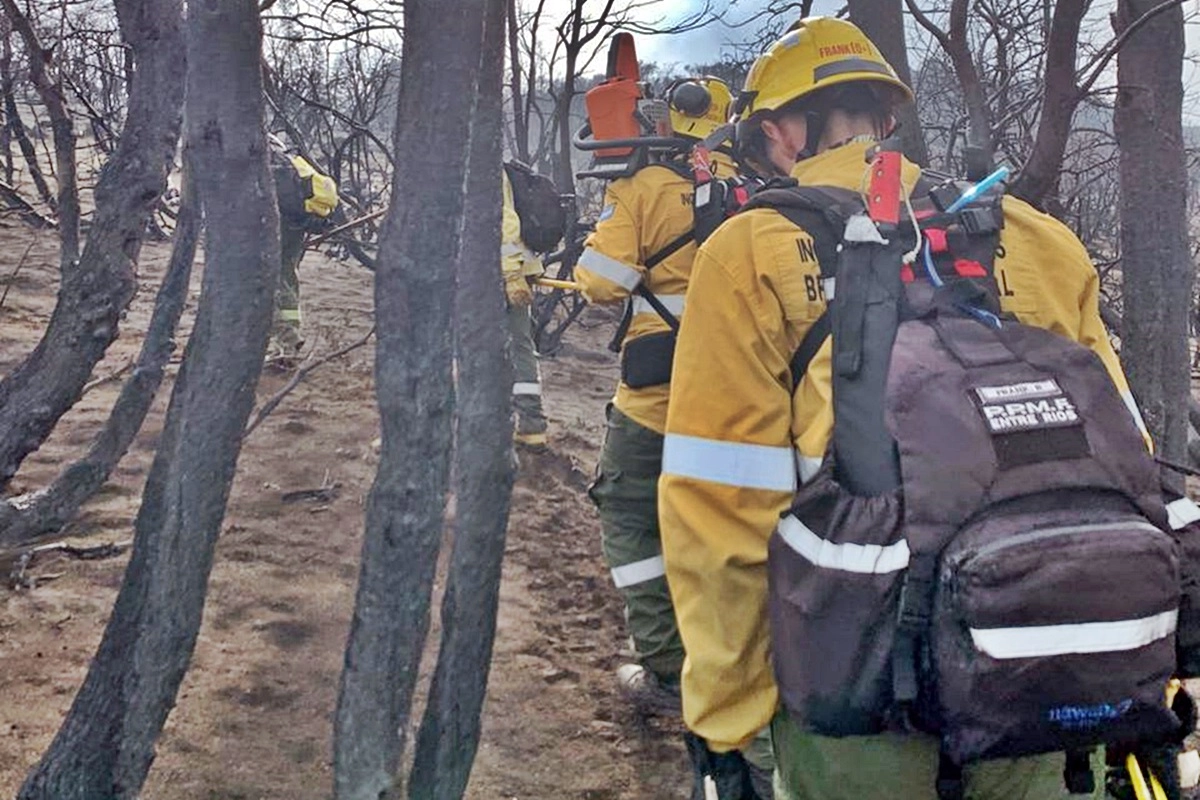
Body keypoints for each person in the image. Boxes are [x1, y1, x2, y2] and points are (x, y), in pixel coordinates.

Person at [658, 17, 1156, 799]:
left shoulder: (748, 251)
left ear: (781, 130)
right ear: (888, 118)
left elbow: (722, 511)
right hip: (1055, 680)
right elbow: (1132, 459)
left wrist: (728, 717)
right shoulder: (1036, 236)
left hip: (862, 700)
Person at [266, 133, 338, 366]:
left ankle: (287, 338)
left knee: (263, 279)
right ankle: (288, 341)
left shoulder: (263, 157)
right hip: (297, 223)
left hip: (278, 223)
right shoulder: (290, 162)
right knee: (286, 276)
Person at [502, 166, 549, 449]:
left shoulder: (481, 163)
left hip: (505, 270)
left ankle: (530, 424)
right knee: (519, 345)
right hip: (515, 266)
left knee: (517, 346)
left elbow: (505, 222)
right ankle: (531, 426)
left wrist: (509, 275)